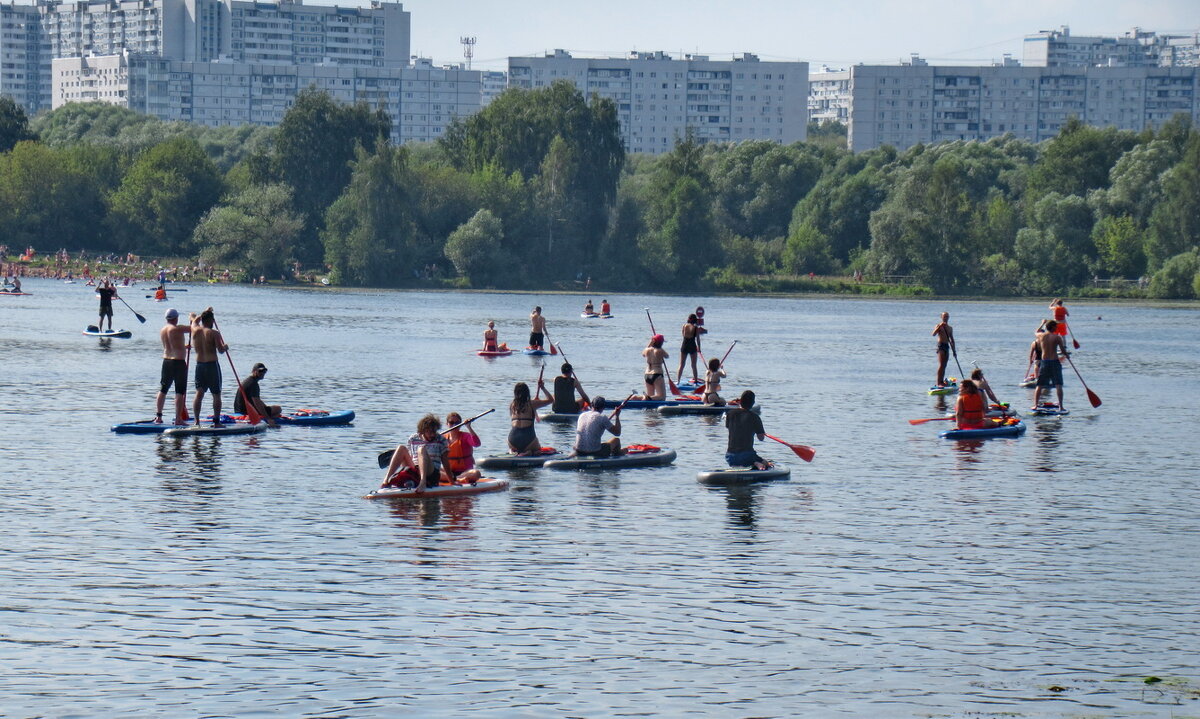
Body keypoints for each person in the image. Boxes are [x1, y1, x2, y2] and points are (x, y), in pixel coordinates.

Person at [381, 414, 455, 491]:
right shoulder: (413, 438)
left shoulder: (441, 440)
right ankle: (386, 480)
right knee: (401, 448)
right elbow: (408, 458)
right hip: (415, 470)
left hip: (431, 473)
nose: (432, 435)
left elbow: (445, 462)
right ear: (423, 430)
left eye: (434, 431)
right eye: (429, 432)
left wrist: (451, 482)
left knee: (421, 448)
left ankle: (423, 482)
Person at [190, 307, 228, 427]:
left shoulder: (195, 329)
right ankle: (216, 422)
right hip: (212, 366)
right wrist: (225, 346)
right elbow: (221, 350)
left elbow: (194, 320)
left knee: (199, 393)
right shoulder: (215, 333)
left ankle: (196, 421)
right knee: (216, 394)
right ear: (211, 320)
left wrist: (203, 312)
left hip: (199, 366)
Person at [155, 308, 192, 425]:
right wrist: (193, 318)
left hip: (166, 361)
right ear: (176, 318)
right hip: (178, 363)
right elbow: (194, 329)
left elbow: (173, 345)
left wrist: (184, 347)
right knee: (179, 391)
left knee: (163, 389)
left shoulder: (163, 330)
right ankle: (178, 419)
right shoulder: (177, 328)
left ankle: (159, 416)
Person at [725, 390, 769, 470]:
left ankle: (753, 463)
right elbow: (761, 438)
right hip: (747, 456)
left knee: (742, 459)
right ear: (752, 403)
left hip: (730, 457)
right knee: (766, 463)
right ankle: (755, 463)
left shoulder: (730, 414)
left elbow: (729, 427)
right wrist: (761, 432)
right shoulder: (755, 417)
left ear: (740, 401)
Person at [1033, 320, 1070, 410]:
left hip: (1044, 362)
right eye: (1056, 326)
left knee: (1040, 385)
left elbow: (1036, 331)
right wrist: (1067, 355)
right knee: (1058, 385)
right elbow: (1062, 350)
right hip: (1054, 362)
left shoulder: (1041, 336)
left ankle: (1035, 405)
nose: (1057, 328)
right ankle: (1061, 406)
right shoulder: (1057, 337)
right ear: (1052, 327)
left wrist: (1042, 323)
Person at [508, 380, 552, 455]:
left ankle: (512, 451)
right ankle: (529, 452)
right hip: (528, 438)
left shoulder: (512, 405)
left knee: (515, 448)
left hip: (512, 439)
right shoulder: (532, 403)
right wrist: (542, 388)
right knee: (538, 450)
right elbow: (550, 400)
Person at [444, 411, 483, 484]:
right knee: (433, 468)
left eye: (457, 423)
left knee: (476, 473)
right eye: (451, 423)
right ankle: (452, 477)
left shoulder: (466, 436)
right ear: (447, 424)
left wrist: (469, 427)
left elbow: (477, 444)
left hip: (465, 472)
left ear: (460, 424)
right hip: (449, 471)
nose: (454, 425)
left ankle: (455, 478)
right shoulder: (442, 438)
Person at [633, 334, 669, 400]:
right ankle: (644, 398)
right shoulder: (660, 350)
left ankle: (637, 398)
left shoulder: (647, 350)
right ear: (660, 343)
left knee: (650, 396)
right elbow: (667, 356)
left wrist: (650, 342)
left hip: (647, 374)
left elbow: (643, 354)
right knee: (662, 397)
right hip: (657, 374)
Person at [675, 313, 703, 383]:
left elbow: (683, 335)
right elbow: (698, 339)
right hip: (692, 345)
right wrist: (699, 348)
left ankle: (678, 380)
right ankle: (696, 380)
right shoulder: (695, 328)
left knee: (681, 364)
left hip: (684, 344)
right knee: (693, 365)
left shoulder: (684, 326)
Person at [931, 312, 956, 387]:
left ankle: (942, 381)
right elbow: (933, 334)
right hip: (940, 346)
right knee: (941, 364)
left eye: (947, 316)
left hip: (947, 346)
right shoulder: (938, 326)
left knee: (944, 365)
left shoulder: (950, 328)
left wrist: (954, 351)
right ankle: (938, 382)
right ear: (941, 317)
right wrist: (939, 327)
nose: (946, 318)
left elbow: (952, 340)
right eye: (944, 316)